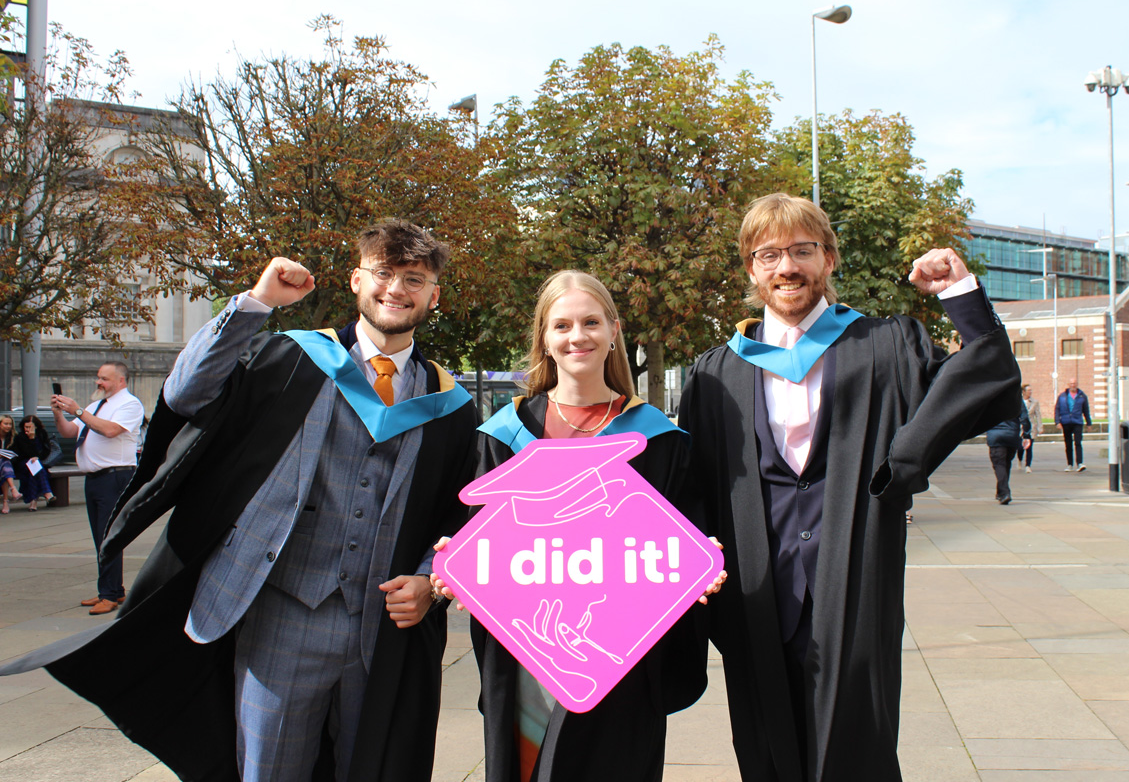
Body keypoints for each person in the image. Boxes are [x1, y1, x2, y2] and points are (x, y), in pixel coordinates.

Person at [3, 219, 478, 782]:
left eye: (414, 278)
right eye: (383, 272)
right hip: (279, 612)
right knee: (268, 770)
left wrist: (429, 578)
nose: (396, 288)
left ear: (433, 295)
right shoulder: (291, 359)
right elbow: (186, 394)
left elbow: (459, 513)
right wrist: (256, 302)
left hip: (382, 626)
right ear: (356, 280)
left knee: (372, 767)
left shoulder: (450, 404)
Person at [677, 193, 1020, 782]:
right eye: (769, 254)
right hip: (755, 593)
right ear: (751, 269)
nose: (787, 267)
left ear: (830, 259)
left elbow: (983, 384)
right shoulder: (716, 373)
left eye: (803, 251)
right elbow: (689, 491)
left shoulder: (886, 346)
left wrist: (959, 293)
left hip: (856, 577)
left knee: (857, 744)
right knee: (765, 748)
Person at [434, 270, 723, 782]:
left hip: (619, 659)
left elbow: (687, 536)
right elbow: (475, 537)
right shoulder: (504, 435)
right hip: (525, 656)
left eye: (591, 322)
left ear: (614, 330)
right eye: (562, 325)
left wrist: (701, 562)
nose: (577, 336)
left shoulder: (657, 438)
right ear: (544, 338)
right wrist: (455, 564)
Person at [51, 363, 145, 613]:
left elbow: (111, 430)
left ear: (121, 381)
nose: (98, 383)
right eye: (98, 378)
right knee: (100, 536)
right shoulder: (96, 406)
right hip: (95, 477)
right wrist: (60, 413)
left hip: (115, 476)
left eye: (104, 379)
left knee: (108, 535)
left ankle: (109, 595)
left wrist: (78, 410)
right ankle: (113, 590)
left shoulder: (129, 404)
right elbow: (71, 431)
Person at [986, 407, 1032, 505]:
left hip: (995, 434)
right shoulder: (1015, 395)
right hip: (1012, 434)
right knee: (1006, 463)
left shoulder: (990, 395)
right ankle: (1000, 491)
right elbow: (1024, 418)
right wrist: (1027, 435)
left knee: (999, 464)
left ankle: (1004, 493)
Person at [12, 415, 56, 511]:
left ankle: (33, 501)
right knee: (35, 468)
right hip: (22, 463)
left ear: (36, 426)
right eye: (26, 427)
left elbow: (45, 452)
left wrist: (37, 457)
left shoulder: (42, 434)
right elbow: (25, 454)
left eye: (30, 427)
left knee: (34, 470)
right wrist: (31, 439)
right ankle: (47, 492)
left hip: (37, 462)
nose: (28, 429)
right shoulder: (20, 437)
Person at [1054, 377, 1091, 472]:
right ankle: (1069, 464)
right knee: (1068, 444)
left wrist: (1089, 423)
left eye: (1074, 383)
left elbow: (1086, 410)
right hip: (1066, 422)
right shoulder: (1062, 396)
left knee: (1078, 442)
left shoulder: (1082, 396)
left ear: (1077, 384)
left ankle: (1080, 463)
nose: (1073, 385)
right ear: (1068, 384)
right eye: (1071, 383)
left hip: (1077, 422)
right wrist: (1057, 421)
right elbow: (1057, 409)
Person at [1019, 383, 1042, 472]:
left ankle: (1028, 465)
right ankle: (1020, 458)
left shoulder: (1034, 402)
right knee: (1020, 447)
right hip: (1020, 428)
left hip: (1030, 427)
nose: (1030, 392)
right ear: (1023, 392)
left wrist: (1040, 427)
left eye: (1031, 390)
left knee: (1029, 446)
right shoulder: (1019, 401)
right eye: (1028, 390)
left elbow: (1038, 415)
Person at [1, 414, 21, 514]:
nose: (8, 426)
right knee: (5, 465)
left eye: (10, 424)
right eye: (5, 424)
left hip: (9, 466)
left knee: (6, 464)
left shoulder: (14, 437)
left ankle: (6, 500)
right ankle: (13, 490)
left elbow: (17, 455)